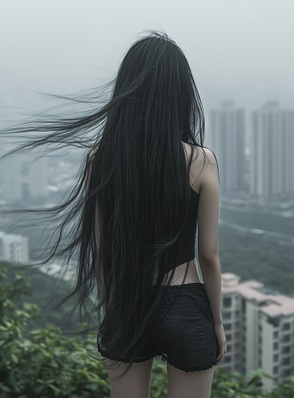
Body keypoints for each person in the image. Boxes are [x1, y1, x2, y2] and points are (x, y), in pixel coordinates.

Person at [3, 31, 226, 398]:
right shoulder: (202, 161)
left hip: (128, 304)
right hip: (184, 302)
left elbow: (104, 253)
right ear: (181, 93)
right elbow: (209, 256)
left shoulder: (100, 158)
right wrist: (216, 323)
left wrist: (112, 313)